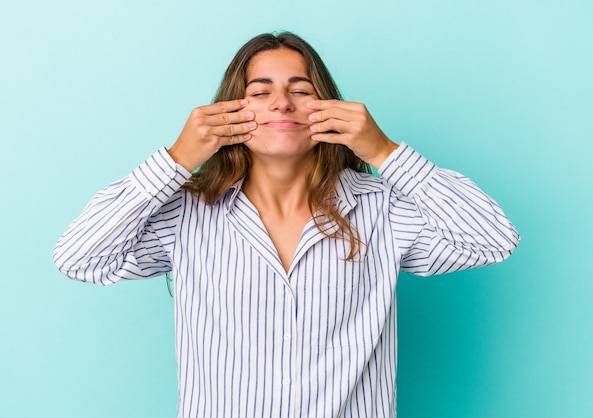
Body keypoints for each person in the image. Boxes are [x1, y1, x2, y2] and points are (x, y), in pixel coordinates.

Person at [54, 32, 519, 418]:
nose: (281, 102)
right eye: (259, 91)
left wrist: (383, 151)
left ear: (329, 108)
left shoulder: (382, 212)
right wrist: (176, 160)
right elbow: (79, 258)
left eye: (301, 89)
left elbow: (493, 240)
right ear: (231, 111)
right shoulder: (185, 214)